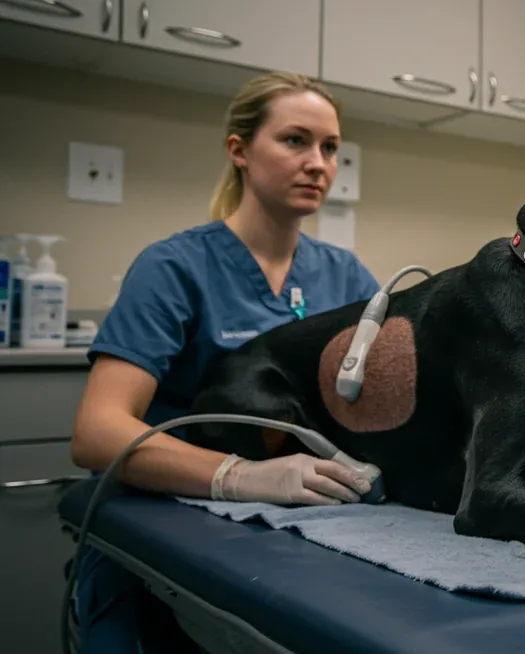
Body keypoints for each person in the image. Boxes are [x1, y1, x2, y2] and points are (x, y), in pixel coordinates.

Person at [68, 70, 382, 652]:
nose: (318, 162)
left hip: (297, 537)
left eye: (330, 147)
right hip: (158, 531)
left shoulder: (348, 279)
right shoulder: (174, 269)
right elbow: (96, 432)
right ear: (239, 151)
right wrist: (238, 476)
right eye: (295, 140)